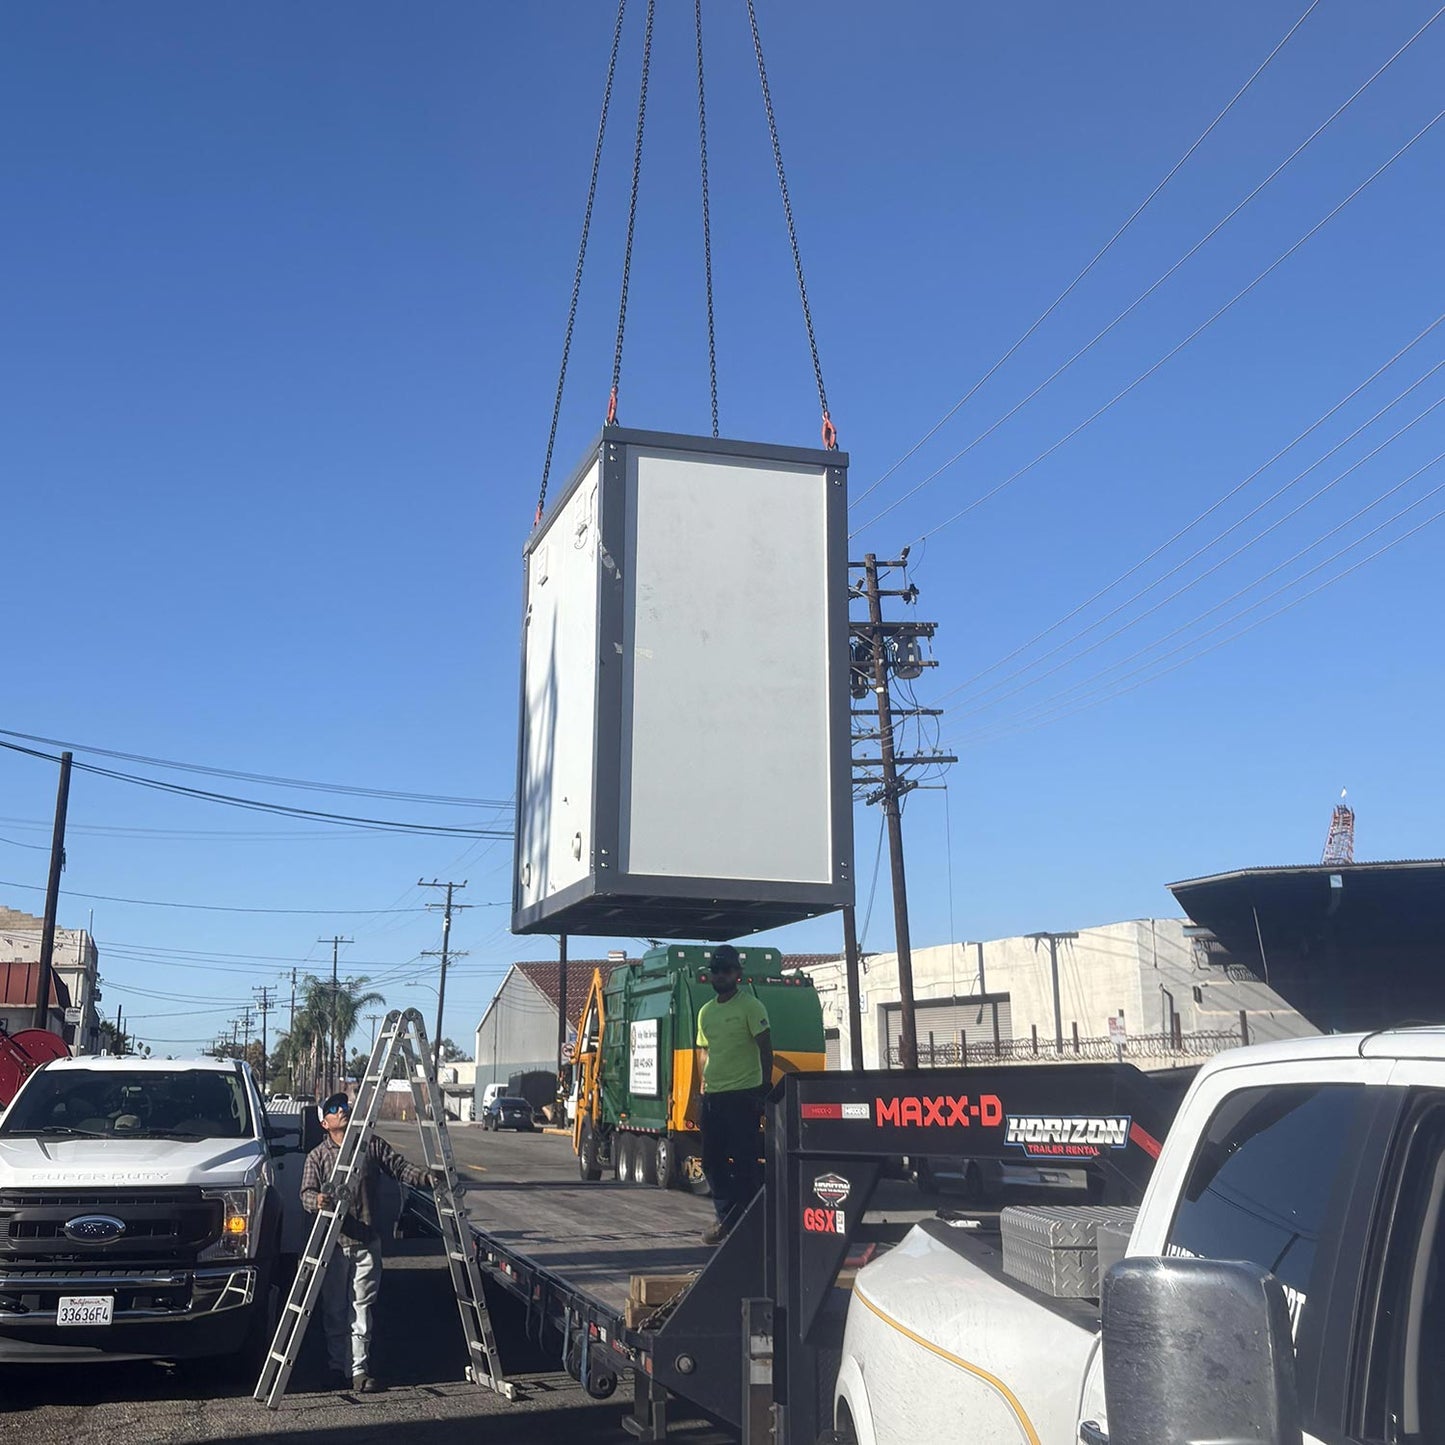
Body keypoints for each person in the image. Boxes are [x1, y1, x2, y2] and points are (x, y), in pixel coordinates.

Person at [299, 1091, 435, 1393]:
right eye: (334, 1108)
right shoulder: (317, 1157)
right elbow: (305, 1193)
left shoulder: (370, 1145)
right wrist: (317, 1200)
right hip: (333, 1246)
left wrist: (426, 1178)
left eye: (343, 1105)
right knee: (334, 1309)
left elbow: (399, 1167)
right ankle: (337, 1368)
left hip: (366, 1241)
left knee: (361, 1307)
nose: (342, 1110)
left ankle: (358, 1370)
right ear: (325, 1123)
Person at [695, 944, 773, 1246]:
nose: (720, 975)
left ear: (737, 974)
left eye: (726, 970)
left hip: (744, 1095)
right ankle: (729, 1218)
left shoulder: (751, 1007)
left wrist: (764, 1087)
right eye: (715, 970)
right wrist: (701, 1088)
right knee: (712, 1162)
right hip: (714, 1096)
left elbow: (766, 1046)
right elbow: (704, 1052)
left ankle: (752, 1224)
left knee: (744, 1163)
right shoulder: (706, 1012)